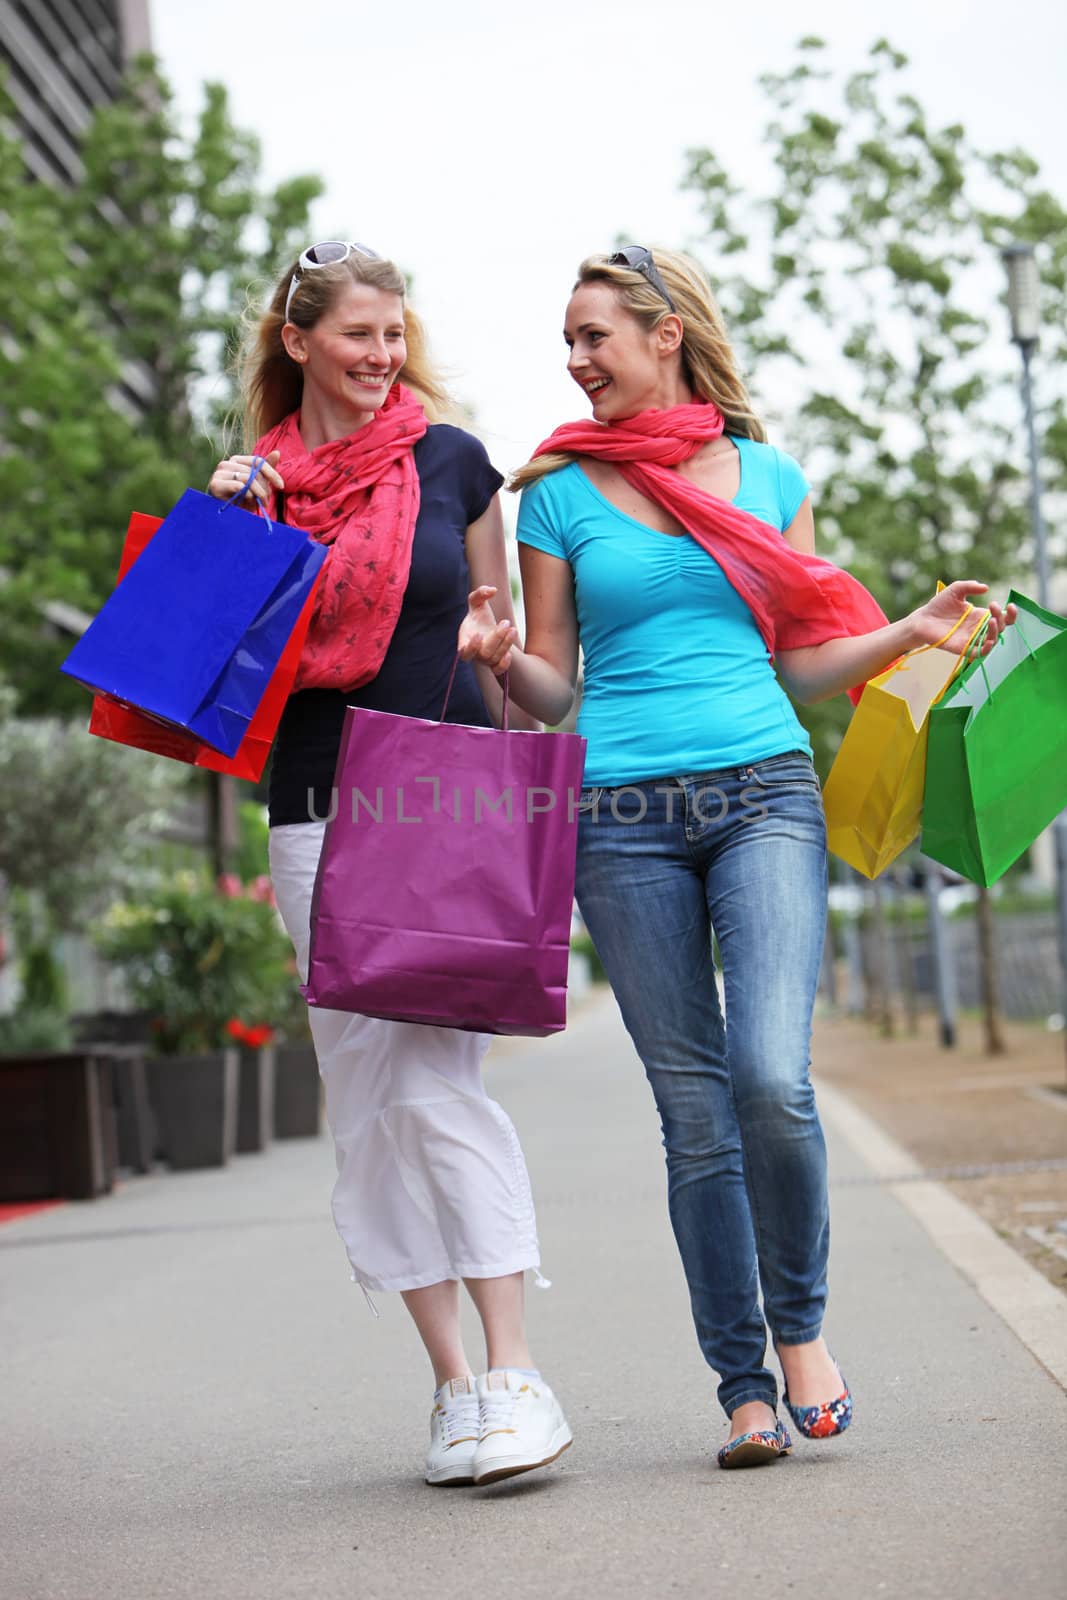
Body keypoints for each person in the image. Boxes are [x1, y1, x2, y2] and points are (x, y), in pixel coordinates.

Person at [458, 245, 1014, 1469]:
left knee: (771, 1075)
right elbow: (553, 687)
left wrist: (905, 631)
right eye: (565, 338)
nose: (573, 358)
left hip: (763, 791)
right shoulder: (550, 488)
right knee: (692, 1113)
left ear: (664, 335)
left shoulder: (767, 477)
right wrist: (498, 656)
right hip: (619, 814)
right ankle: (739, 1383)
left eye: (593, 334)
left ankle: (800, 1328)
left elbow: (799, 660)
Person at [208, 240, 571, 1488]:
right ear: (298, 340)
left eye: (393, 333)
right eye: (357, 334)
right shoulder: (256, 486)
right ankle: (452, 1389)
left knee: (432, 1084)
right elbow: (211, 665)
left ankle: (518, 1369)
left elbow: (498, 643)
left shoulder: (456, 463)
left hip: (437, 795)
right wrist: (220, 529)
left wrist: (492, 642)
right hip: (310, 800)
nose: (381, 355)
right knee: (363, 1105)